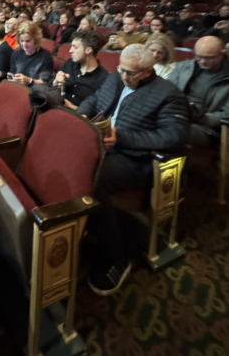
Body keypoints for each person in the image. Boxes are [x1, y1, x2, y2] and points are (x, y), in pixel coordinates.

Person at [77, 45, 189, 296]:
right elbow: (96, 99)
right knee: (67, 157)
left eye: (130, 72)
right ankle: (82, 224)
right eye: (120, 68)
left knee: (92, 177)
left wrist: (123, 138)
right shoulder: (115, 76)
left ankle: (115, 256)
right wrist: (82, 113)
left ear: (148, 71)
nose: (122, 75)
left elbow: (174, 136)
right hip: (106, 145)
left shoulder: (168, 94)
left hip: (138, 159)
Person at [168, 36, 229, 147]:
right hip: (176, 115)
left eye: (208, 58)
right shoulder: (184, 67)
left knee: (174, 129)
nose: (202, 61)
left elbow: (226, 115)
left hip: (207, 129)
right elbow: (166, 90)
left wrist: (201, 117)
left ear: (222, 54)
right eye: (198, 56)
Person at [53, 31, 108, 109]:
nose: (70, 50)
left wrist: (70, 106)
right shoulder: (69, 63)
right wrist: (56, 83)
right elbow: (52, 88)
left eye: (75, 47)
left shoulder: (104, 78)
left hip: (76, 117)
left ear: (88, 50)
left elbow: (95, 111)